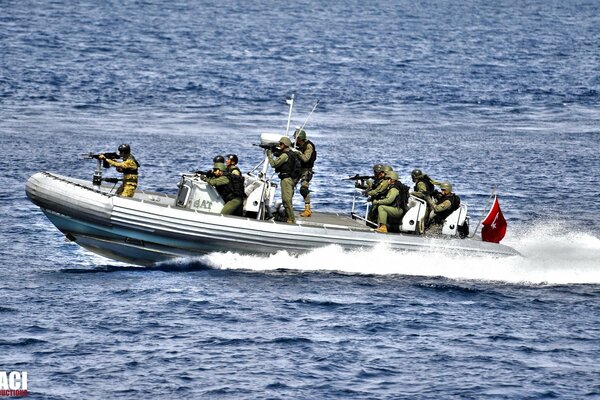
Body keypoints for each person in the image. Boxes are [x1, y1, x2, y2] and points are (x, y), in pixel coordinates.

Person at [268, 136, 300, 223]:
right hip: (288, 179)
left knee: (286, 200)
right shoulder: (289, 153)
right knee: (285, 200)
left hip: (286, 179)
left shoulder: (285, 155)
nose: (280, 145)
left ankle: (291, 219)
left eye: (281, 144)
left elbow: (274, 164)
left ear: (285, 145)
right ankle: (289, 217)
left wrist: (269, 155)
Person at [293, 128, 317, 217]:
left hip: (306, 170)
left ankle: (308, 209)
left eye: (296, 138)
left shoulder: (308, 146)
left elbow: (306, 159)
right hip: (298, 168)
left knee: (304, 189)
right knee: (290, 185)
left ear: (299, 138)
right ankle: (287, 206)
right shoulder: (297, 145)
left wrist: (297, 152)